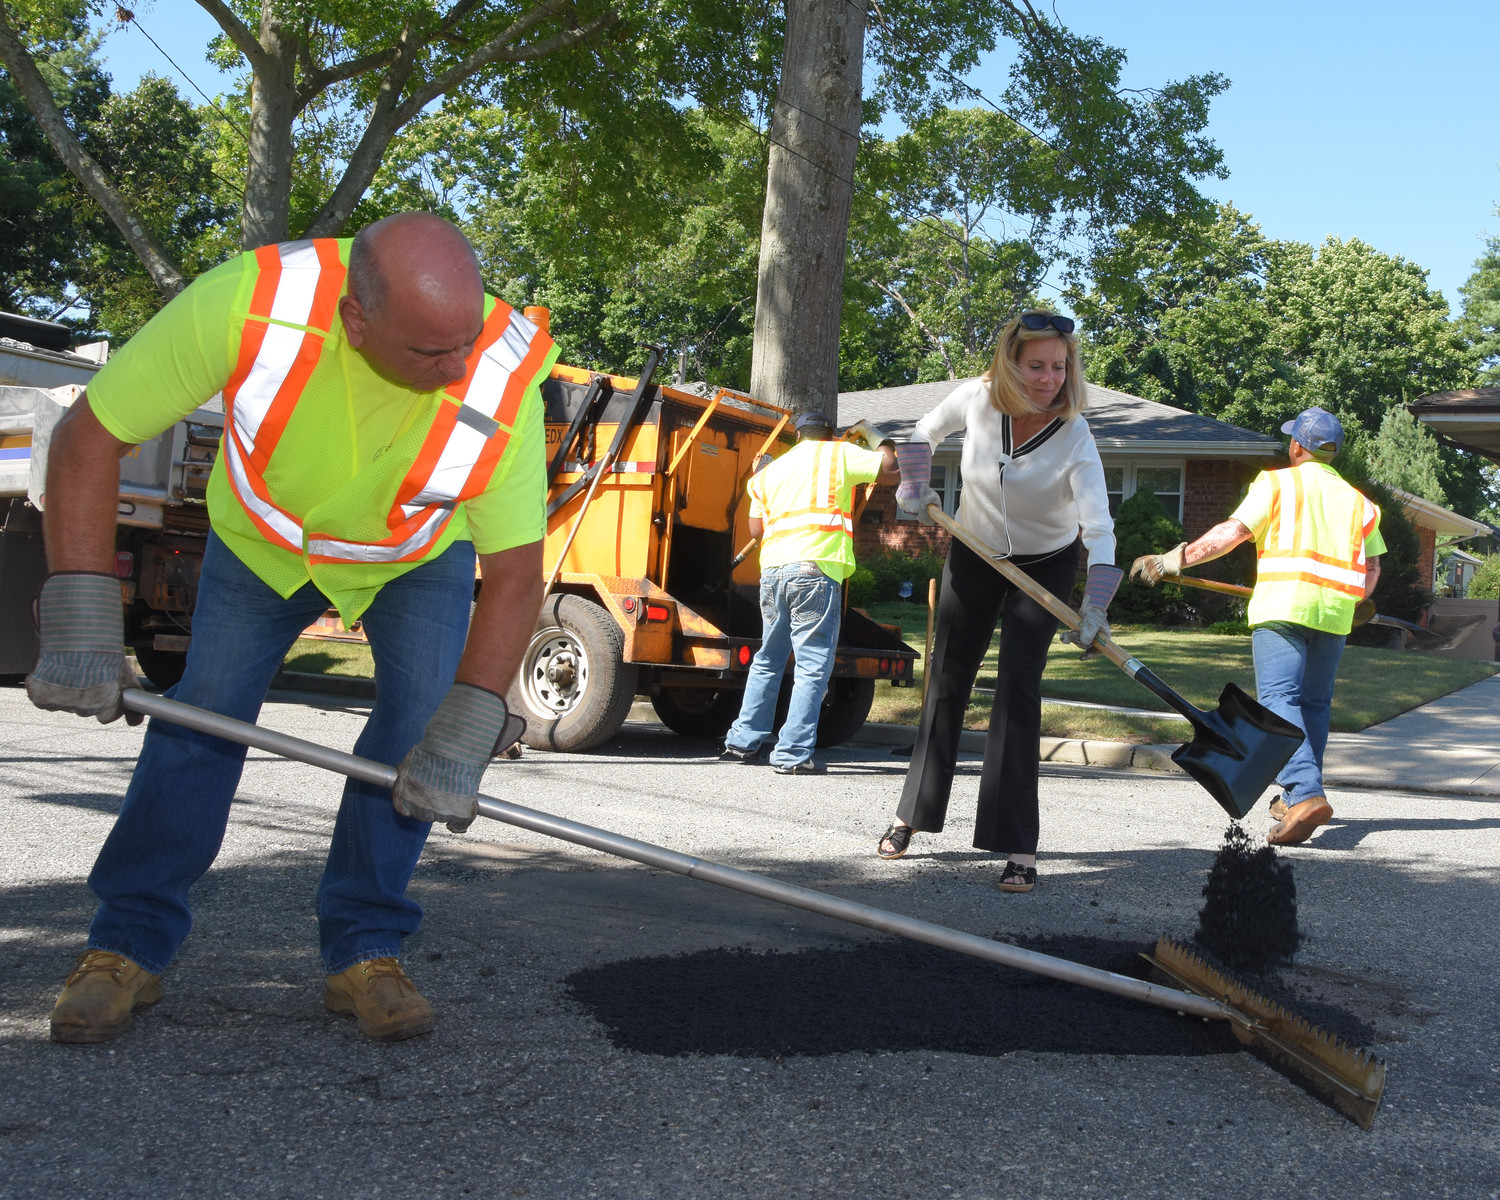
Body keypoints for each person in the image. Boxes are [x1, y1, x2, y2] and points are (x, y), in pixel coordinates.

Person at [30, 213, 558, 1044]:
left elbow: (519, 574)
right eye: (429, 353)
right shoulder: (248, 302)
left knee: (419, 730)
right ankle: (124, 945)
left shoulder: (499, 374)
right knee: (204, 717)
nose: (458, 366)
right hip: (266, 543)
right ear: (355, 320)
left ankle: (366, 950)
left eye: (466, 339)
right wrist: (81, 614)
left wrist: (469, 724)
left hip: (413, 551)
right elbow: (90, 434)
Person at [876, 311, 1120, 893]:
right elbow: (920, 434)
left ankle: (1018, 845)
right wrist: (913, 484)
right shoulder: (977, 398)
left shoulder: (1074, 432)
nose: (1048, 378)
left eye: (1059, 366)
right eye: (1036, 365)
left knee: (1018, 688)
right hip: (974, 550)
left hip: (1048, 564)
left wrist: (1097, 605)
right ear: (1010, 362)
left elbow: (1101, 528)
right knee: (947, 679)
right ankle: (912, 812)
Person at [1130, 406, 1384, 846]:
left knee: (1279, 699)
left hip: (1283, 607)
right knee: (1315, 705)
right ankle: (1297, 797)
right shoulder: (1361, 503)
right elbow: (1373, 567)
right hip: (1335, 614)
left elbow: (1232, 533)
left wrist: (1175, 559)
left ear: (1296, 445)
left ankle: (1304, 792)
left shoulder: (1277, 483)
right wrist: (1356, 599)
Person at [720, 412, 899, 773]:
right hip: (816, 569)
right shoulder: (838, 455)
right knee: (812, 665)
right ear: (829, 435)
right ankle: (792, 753)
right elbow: (891, 469)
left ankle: (742, 741)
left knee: (768, 659)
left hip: (772, 572)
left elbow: (757, 528)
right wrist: (875, 435)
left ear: (797, 436)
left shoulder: (768, 473)